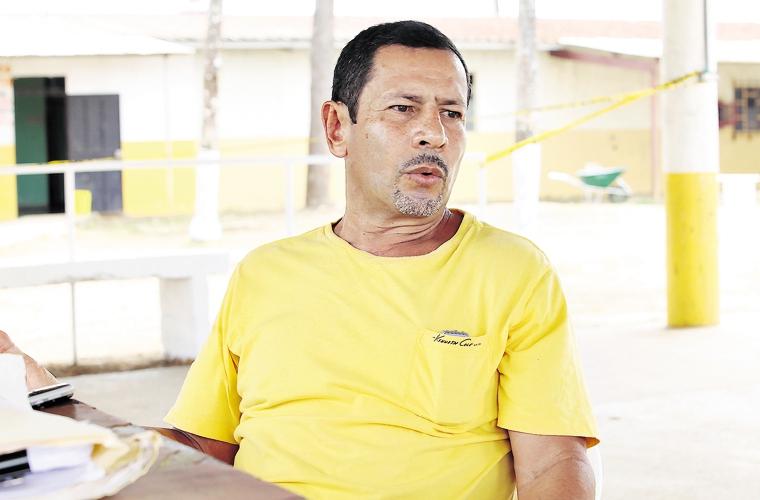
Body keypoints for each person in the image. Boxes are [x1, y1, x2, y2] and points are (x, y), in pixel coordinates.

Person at [1, 20, 598, 499]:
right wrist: (50, 402)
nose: (435, 134)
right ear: (337, 127)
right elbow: (199, 448)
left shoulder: (513, 272)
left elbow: (553, 463)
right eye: (403, 108)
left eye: (453, 112)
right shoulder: (263, 275)